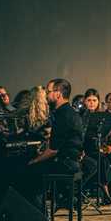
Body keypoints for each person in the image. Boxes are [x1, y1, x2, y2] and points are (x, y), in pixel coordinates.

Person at [24, 78, 84, 210]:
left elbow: (53, 151)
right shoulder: (71, 113)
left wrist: (34, 160)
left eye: (48, 91)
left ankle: (38, 213)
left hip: (64, 163)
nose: (46, 95)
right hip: (71, 161)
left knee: (27, 171)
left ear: (58, 94)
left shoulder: (62, 115)